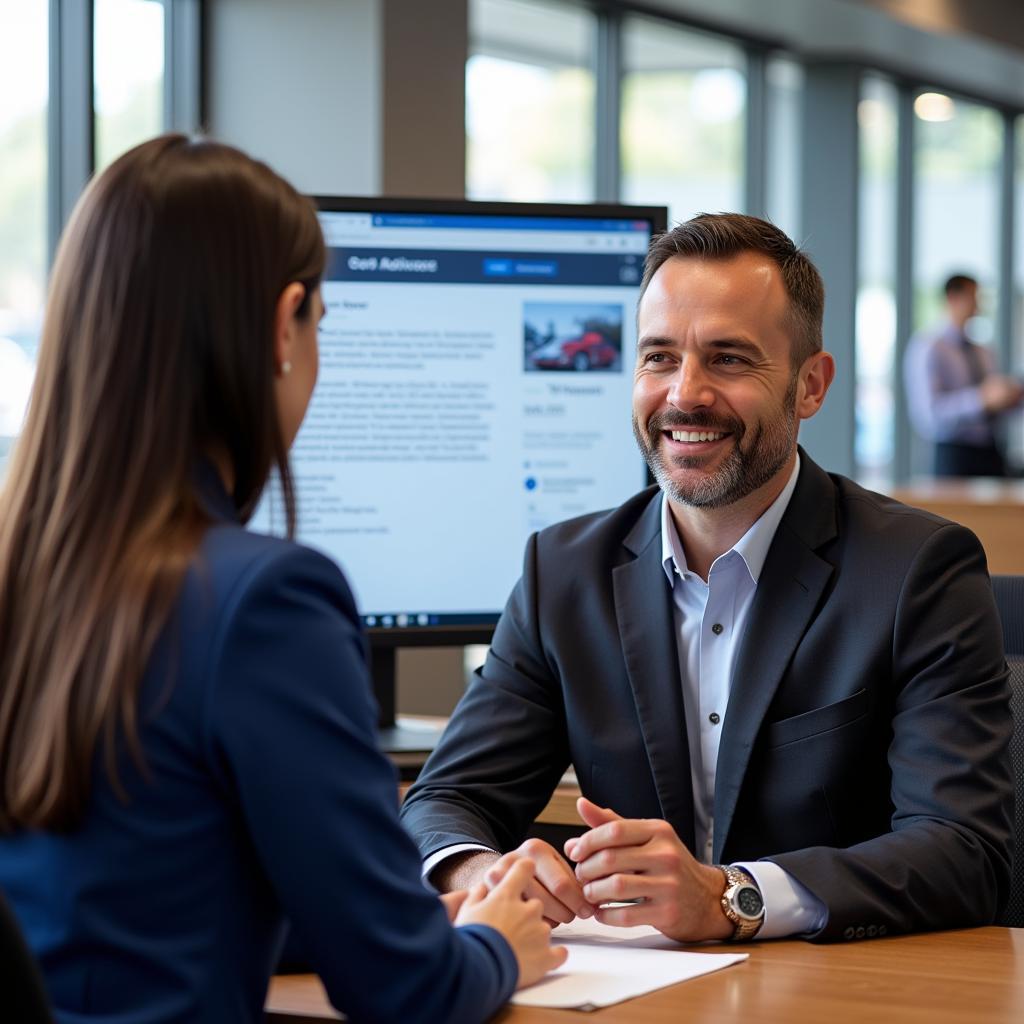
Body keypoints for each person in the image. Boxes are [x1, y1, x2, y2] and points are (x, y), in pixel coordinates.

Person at [0, 135, 565, 1024]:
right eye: (322, 325)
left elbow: (130, 893)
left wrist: (404, 918)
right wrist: (497, 945)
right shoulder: (263, 599)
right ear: (283, 321)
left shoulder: (25, 574)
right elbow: (406, 994)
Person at [400, 213, 1014, 945]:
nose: (684, 395)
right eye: (659, 357)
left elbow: (964, 849)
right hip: (633, 991)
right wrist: (482, 874)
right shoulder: (562, 572)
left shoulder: (918, 570)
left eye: (728, 359)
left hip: (838, 990)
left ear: (810, 385)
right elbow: (446, 798)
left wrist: (732, 897)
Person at [904, 273, 1024, 477]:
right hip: (953, 455)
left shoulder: (984, 351)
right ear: (952, 298)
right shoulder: (928, 347)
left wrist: (1009, 398)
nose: (978, 304)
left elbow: (994, 404)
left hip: (990, 451)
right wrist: (981, 399)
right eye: (973, 296)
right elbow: (928, 414)